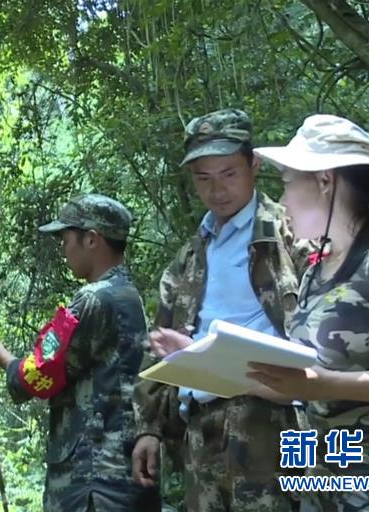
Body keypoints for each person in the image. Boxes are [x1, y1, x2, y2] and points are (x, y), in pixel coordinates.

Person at [246, 114, 369, 511]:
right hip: (327, 487)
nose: (282, 203)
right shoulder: (317, 269)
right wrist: (210, 364)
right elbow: (308, 381)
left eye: (286, 184)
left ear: (324, 181)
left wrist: (329, 384)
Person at [131, 108, 310, 511]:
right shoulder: (189, 259)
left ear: (254, 164)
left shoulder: (290, 232)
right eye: (203, 178)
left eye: (229, 173)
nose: (218, 190)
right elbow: (158, 348)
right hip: (202, 427)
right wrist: (150, 430)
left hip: (273, 421)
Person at [0, 194, 160, 511]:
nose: (62, 248)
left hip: (93, 479)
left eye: (65, 238)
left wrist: (4, 359)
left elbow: (44, 369)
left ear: (91, 239)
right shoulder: (129, 295)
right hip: (121, 474)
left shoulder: (94, 299)